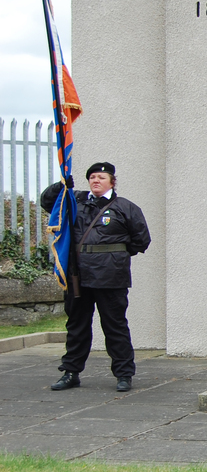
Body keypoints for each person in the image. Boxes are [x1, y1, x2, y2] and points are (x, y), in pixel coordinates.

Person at [40, 162, 151, 392]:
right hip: (78, 275)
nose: (96, 180)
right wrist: (60, 187)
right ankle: (71, 372)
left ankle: (123, 374)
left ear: (112, 181)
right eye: (92, 177)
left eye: (101, 177)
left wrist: (114, 255)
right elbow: (48, 203)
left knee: (115, 326)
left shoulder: (125, 207)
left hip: (111, 276)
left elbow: (141, 240)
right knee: (77, 326)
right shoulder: (76, 201)